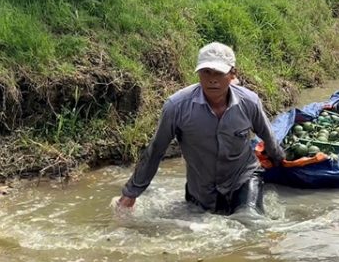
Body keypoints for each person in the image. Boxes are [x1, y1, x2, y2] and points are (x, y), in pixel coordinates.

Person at [117, 42, 285, 216]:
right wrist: (131, 193)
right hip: (202, 190)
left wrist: (279, 159)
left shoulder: (249, 102)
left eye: (219, 73)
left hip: (242, 178)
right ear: (198, 73)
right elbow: (156, 150)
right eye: (206, 72)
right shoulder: (177, 107)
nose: (212, 79)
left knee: (250, 219)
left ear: (232, 74)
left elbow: (267, 135)